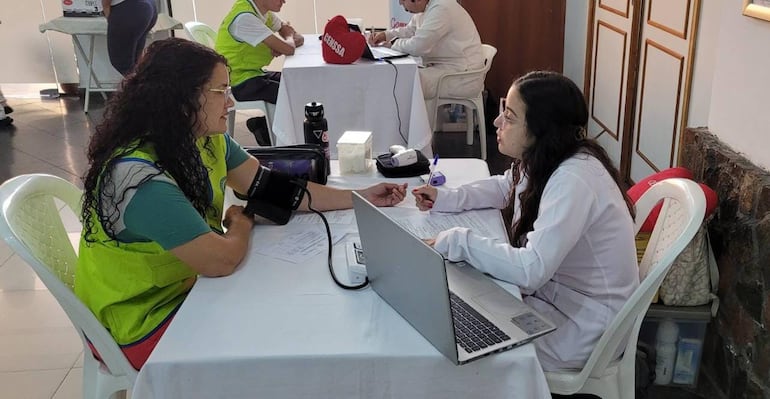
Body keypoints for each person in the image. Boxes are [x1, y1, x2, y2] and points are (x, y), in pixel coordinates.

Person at [76, 38, 407, 370]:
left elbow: (276, 190)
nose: (231, 102)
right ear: (180, 98)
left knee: (283, 312)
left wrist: (360, 197)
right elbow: (220, 261)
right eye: (220, 92)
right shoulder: (139, 180)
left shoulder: (204, 139)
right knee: (273, 335)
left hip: (186, 288)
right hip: (141, 320)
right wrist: (242, 223)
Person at [412, 71, 640, 371]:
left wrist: (458, 240)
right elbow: (506, 186)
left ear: (539, 129)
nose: (497, 123)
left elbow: (531, 270)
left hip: (585, 328)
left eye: (509, 116)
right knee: (458, 302)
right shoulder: (550, 157)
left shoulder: (574, 178)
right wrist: (445, 198)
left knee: (454, 337)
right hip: (558, 300)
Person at [368, 0, 484, 122]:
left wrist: (391, 44)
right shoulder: (427, 8)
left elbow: (418, 46)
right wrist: (385, 35)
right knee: (401, 79)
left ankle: (413, 136)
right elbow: (409, 30)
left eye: (402, 0)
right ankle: (407, 132)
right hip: (447, 68)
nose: (400, 3)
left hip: (463, 76)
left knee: (403, 82)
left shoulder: (441, 8)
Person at [215, 0, 304, 145]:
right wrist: (287, 42)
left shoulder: (264, 13)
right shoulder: (245, 18)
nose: (284, 1)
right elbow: (289, 48)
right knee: (289, 94)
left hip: (254, 74)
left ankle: (260, 125)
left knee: (295, 83)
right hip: (240, 82)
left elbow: (293, 36)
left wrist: (286, 42)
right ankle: (273, 135)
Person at [101, 0, 158, 75]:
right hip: (146, 7)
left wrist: (107, 11)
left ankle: (144, 85)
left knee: (123, 65)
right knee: (136, 64)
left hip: (130, 8)